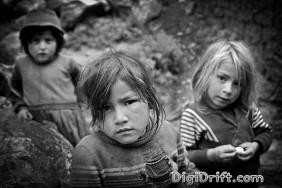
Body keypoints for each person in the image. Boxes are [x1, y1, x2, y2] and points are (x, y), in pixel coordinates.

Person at [70, 50, 199, 188]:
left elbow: (186, 169)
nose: (120, 118)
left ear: (149, 99)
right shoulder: (88, 154)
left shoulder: (168, 131)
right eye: (105, 107)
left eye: (129, 102)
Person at [179, 40, 272, 188]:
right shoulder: (192, 115)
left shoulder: (247, 109)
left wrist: (255, 146)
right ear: (205, 73)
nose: (228, 90)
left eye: (237, 83)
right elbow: (184, 156)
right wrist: (211, 155)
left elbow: (266, 133)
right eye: (222, 78)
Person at [10, 8, 89, 146]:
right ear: (26, 43)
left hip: (68, 120)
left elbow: (82, 82)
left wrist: (81, 103)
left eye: (48, 40)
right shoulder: (21, 64)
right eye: (35, 41)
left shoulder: (67, 62)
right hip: (36, 120)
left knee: (79, 152)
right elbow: (14, 90)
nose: (42, 47)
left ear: (58, 42)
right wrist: (21, 107)